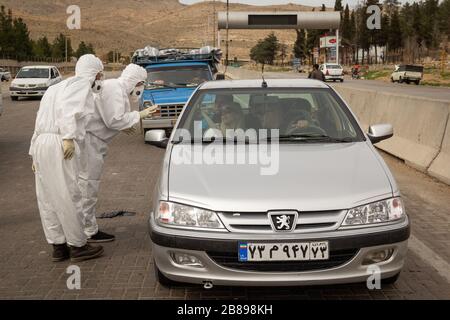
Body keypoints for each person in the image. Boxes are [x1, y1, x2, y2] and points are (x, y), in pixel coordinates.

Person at [29, 54, 105, 263]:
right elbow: (70, 111)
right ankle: (78, 246)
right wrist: (69, 137)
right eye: (100, 74)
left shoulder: (54, 88)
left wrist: (32, 151)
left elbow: (39, 118)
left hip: (41, 143)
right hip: (60, 142)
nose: (101, 79)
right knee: (68, 195)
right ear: (94, 73)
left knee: (47, 198)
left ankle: (58, 246)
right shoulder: (80, 84)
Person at [79, 64, 156, 243]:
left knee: (86, 186)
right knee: (88, 186)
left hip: (93, 141)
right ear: (136, 81)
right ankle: (88, 231)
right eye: (141, 83)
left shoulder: (115, 87)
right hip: (91, 143)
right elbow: (114, 119)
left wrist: (124, 125)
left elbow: (108, 117)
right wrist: (139, 115)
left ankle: (84, 228)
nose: (141, 88)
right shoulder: (116, 88)